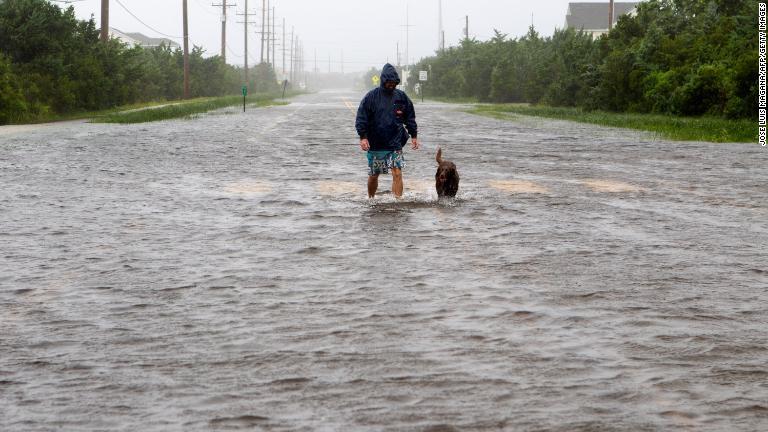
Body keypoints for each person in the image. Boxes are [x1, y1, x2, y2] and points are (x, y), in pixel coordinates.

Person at [355, 63, 419, 198]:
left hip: (395, 144)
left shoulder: (401, 97)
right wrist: (363, 137)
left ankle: (398, 202)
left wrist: (414, 135)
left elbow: (410, 117)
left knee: (397, 172)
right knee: (374, 175)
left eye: (394, 82)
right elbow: (361, 118)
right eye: (389, 82)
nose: (391, 84)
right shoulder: (371, 97)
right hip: (376, 145)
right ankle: (371, 199)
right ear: (383, 80)